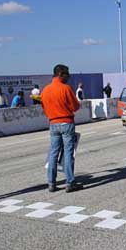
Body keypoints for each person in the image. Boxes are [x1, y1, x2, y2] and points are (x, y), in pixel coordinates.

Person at [41, 64, 83, 193]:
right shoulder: (66, 88)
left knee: (53, 153)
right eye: (67, 74)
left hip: (53, 124)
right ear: (60, 74)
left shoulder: (45, 90)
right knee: (68, 153)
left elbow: (44, 107)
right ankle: (70, 182)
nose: (68, 77)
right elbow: (76, 106)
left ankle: (51, 183)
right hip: (66, 122)